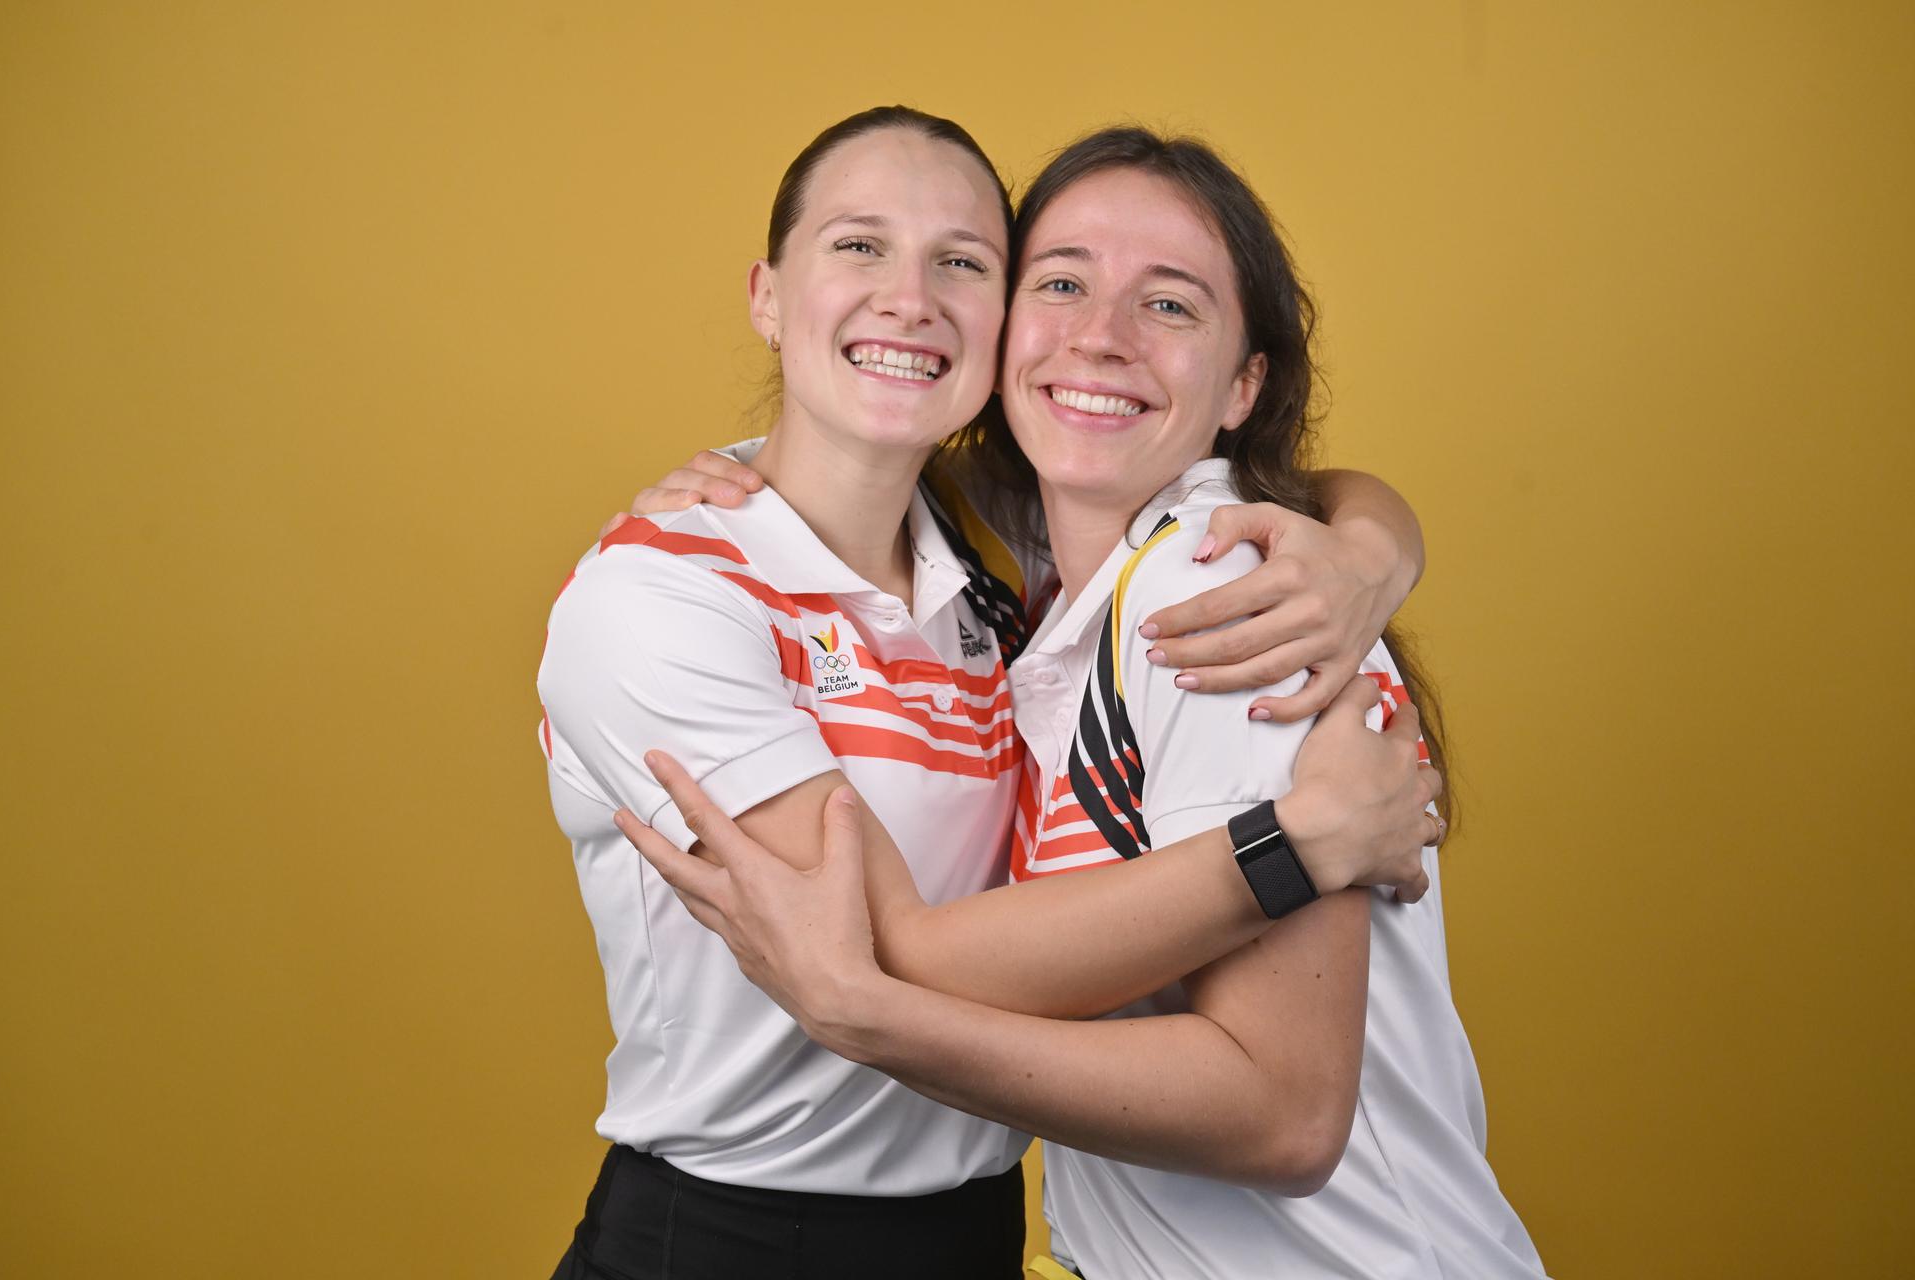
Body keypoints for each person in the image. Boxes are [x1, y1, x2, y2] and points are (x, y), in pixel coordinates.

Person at [621, 127, 1547, 1278]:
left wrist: (863, 1005)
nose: (1100, 336)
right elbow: (866, 440)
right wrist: (1376, 537)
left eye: (1171, 306)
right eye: (1061, 283)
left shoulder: (1218, 600)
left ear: (1244, 383)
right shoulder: (1040, 573)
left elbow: (1285, 1116)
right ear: (1007, 332)